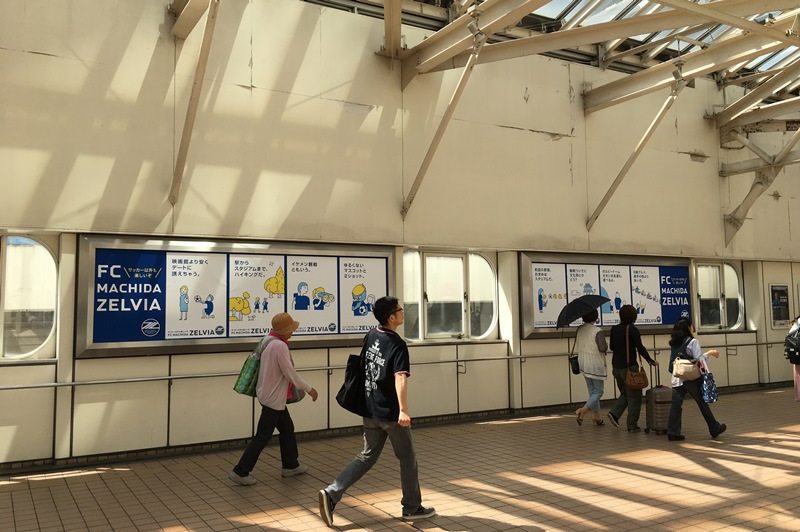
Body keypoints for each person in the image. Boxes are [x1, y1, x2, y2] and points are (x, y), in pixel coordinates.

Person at [318, 296, 435, 527]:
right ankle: (412, 507)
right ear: (391, 317)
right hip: (390, 413)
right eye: (399, 310)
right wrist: (403, 410)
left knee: (367, 456)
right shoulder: (397, 344)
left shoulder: (372, 334)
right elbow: (400, 377)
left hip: (370, 408)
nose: (403, 312)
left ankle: (331, 493)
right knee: (407, 457)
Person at [229, 312, 319, 485]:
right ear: (284, 330)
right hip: (274, 398)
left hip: (266, 394)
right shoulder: (280, 346)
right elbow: (289, 372)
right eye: (291, 329)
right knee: (262, 436)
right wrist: (309, 389)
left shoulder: (267, 340)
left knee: (287, 429)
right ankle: (240, 471)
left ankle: (291, 465)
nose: (292, 332)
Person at [666, 317, 726, 441]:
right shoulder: (692, 342)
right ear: (688, 328)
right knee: (701, 402)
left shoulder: (674, 343)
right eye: (691, 326)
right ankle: (714, 428)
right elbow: (699, 360)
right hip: (690, 378)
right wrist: (709, 353)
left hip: (677, 377)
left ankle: (673, 432)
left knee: (676, 405)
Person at [607, 304, 658, 432]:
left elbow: (612, 347)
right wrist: (650, 360)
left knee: (626, 392)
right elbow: (640, 347)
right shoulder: (632, 330)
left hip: (616, 367)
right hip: (629, 368)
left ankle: (614, 413)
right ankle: (632, 425)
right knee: (634, 396)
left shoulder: (614, 329)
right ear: (633, 316)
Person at [574, 310, 608, 426]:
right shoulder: (597, 331)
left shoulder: (580, 329)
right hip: (595, 364)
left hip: (583, 362)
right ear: (595, 317)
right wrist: (606, 345)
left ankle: (596, 416)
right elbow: (603, 348)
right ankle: (583, 410)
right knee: (598, 391)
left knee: (592, 390)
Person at [788, 314, 800, 402]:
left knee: (797, 375)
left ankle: (798, 396)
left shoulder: (796, 323)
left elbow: (790, 335)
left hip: (796, 352)